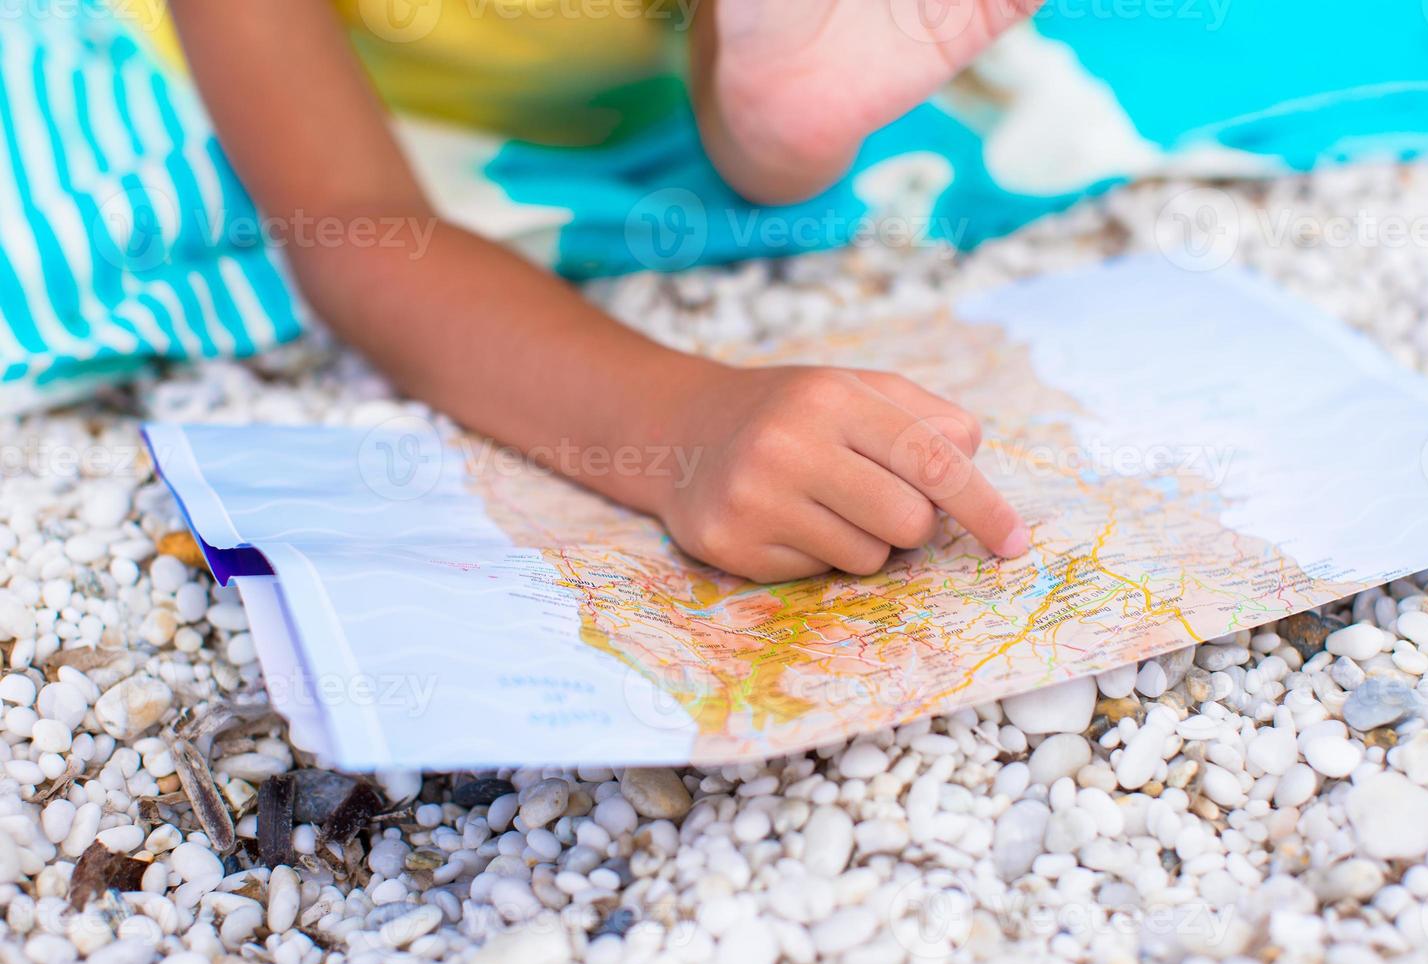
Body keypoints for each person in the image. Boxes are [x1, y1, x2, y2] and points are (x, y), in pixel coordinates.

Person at [162, 0, 1037, 582]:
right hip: (330, 98)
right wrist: (681, 427)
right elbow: (355, 226)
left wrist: (778, 130)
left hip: (648, 84)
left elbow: (738, 75)